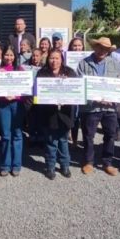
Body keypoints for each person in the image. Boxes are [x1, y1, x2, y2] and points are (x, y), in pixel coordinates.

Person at [76, 37, 120, 175]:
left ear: (109, 51)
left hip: (109, 107)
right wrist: (96, 98)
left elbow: (118, 84)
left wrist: (113, 98)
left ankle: (107, 162)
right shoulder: (84, 63)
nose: (102, 51)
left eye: (106, 49)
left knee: (110, 135)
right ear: (95, 47)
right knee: (89, 135)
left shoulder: (115, 64)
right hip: (91, 107)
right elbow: (80, 85)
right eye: (100, 47)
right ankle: (88, 162)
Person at [35, 50, 78, 180]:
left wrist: (67, 83)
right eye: (52, 58)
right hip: (48, 114)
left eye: (57, 58)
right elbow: (37, 94)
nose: (54, 61)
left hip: (65, 113)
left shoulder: (70, 72)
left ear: (62, 59)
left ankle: (65, 166)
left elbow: (76, 91)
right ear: (48, 59)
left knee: (63, 140)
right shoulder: (42, 73)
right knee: (51, 141)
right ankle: (50, 166)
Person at [0, 45, 25, 176]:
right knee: (6, 135)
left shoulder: (20, 69)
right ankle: (5, 164)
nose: (9, 57)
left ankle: (16, 165)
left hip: (17, 105)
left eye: (11, 55)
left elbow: (26, 88)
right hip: (3, 105)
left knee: (17, 134)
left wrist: (16, 96)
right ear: (2, 55)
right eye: (6, 54)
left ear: (15, 57)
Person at [67, 37, 85, 146]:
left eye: (79, 45)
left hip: (83, 90)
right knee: (73, 116)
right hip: (71, 90)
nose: (77, 48)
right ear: (71, 47)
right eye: (75, 45)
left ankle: (79, 141)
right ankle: (73, 141)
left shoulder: (88, 58)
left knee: (82, 117)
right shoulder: (66, 57)